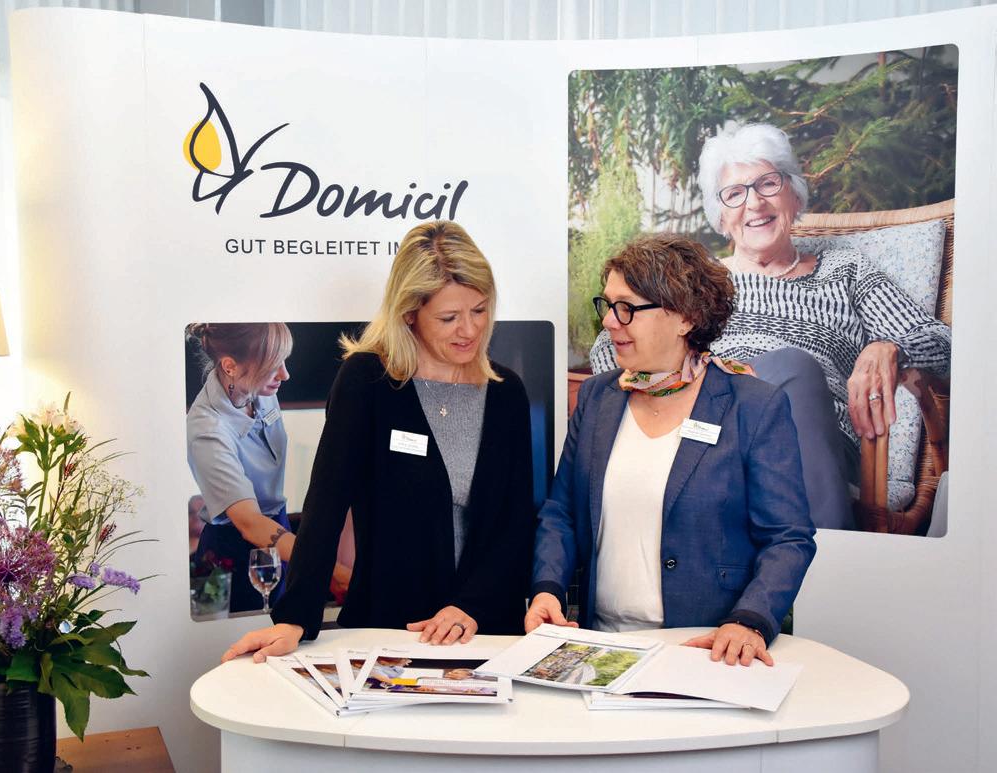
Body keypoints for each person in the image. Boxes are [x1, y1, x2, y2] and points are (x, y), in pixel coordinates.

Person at [589, 123, 951, 530]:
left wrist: (889, 349)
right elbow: (608, 345)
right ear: (721, 217)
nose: (754, 203)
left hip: (813, 445)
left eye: (768, 184)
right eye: (734, 193)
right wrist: (665, 387)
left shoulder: (845, 270)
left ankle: (817, 551)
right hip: (702, 429)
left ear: (794, 194)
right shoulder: (694, 282)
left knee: (793, 369)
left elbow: (942, 344)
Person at [222, 221, 535, 663]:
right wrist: (295, 616)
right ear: (409, 313)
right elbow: (326, 505)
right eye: (449, 318)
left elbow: (515, 522)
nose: (469, 330)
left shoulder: (506, 392)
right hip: (388, 628)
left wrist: (472, 606)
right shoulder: (367, 381)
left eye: (480, 310)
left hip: (485, 630)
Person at [532, 234, 816, 666]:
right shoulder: (597, 397)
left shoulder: (753, 406)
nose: (609, 321)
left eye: (627, 307)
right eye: (607, 305)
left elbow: (787, 538)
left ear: (685, 317)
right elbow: (561, 513)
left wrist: (750, 620)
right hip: (600, 645)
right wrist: (547, 588)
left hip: (706, 649)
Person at [185, 323, 348, 613]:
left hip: (278, 532)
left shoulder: (257, 386)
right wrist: (328, 568)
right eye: (273, 366)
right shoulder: (207, 429)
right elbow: (249, 523)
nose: (285, 374)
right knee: (234, 632)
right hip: (231, 548)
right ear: (230, 366)